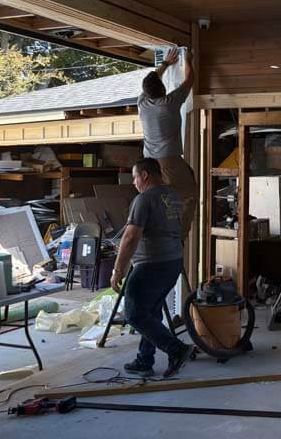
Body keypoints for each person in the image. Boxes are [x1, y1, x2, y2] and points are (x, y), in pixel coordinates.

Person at [110, 158, 194, 378]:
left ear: (145, 175)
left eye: (135, 177)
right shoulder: (173, 197)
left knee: (134, 314)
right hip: (173, 262)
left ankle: (176, 349)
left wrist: (118, 270)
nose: (134, 182)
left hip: (151, 265)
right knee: (151, 312)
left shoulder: (144, 199)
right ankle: (144, 360)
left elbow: (130, 237)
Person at [138, 46, 197, 249]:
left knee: (161, 201)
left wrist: (165, 64)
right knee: (189, 196)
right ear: (162, 88)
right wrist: (187, 59)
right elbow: (189, 80)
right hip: (167, 162)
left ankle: (158, 235)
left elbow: (151, 81)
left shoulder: (142, 103)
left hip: (150, 163)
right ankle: (177, 238)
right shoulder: (169, 103)